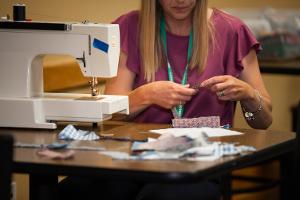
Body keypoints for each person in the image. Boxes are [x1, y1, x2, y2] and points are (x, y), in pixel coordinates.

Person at [59, 0, 273, 200]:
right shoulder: (129, 26)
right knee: (74, 189)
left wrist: (248, 94)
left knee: (166, 194)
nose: (180, 0)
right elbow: (111, 113)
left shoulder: (232, 31)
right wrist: (147, 95)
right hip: (136, 158)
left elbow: (264, 121)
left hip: (200, 162)